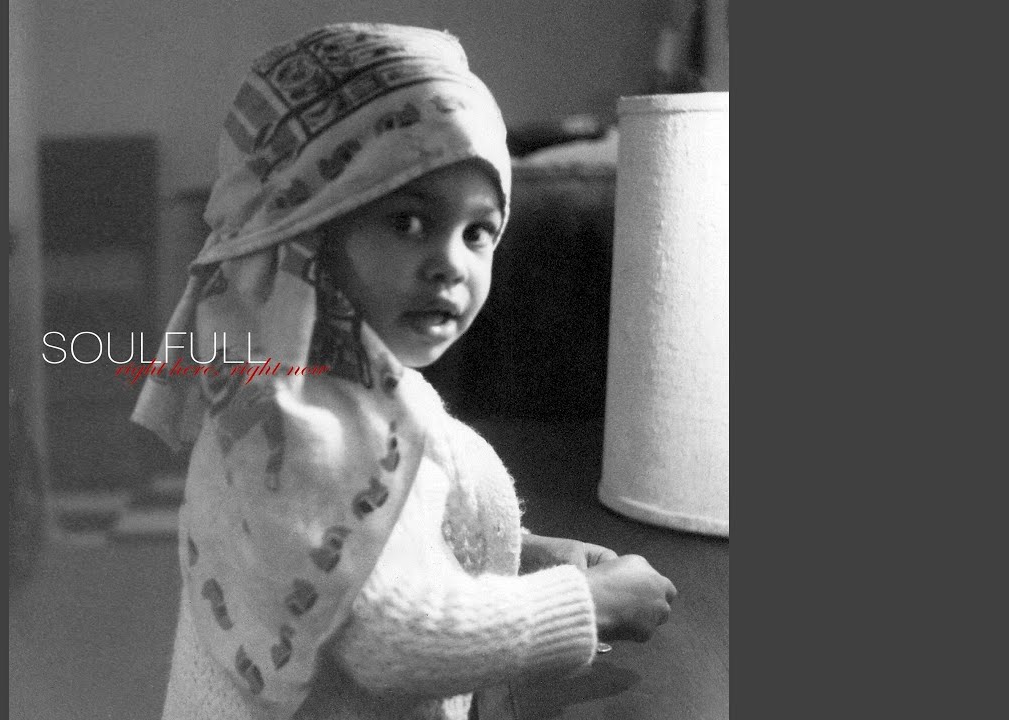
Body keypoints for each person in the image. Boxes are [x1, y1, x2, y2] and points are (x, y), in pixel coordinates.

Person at [131, 22, 677, 720]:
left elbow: (386, 539)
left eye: (477, 232)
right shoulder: (310, 429)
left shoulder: (339, 388)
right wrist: (589, 604)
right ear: (308, 234)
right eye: (408, 223)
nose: (451, 262)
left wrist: (522, 556)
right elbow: (392, 639)